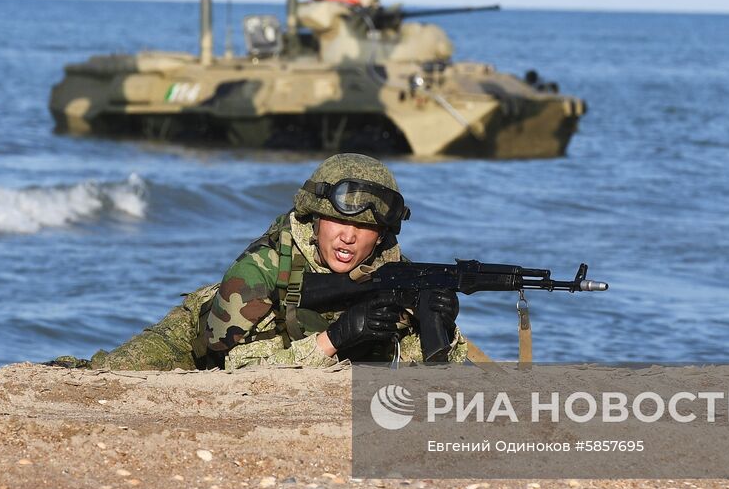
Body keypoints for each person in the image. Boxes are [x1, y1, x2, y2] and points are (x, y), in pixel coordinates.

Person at [62, 153, 468, 371]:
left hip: (284, 352)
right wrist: (336, 339)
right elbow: (235, 365)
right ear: (314, 217)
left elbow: (431, 375)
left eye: (364, 228)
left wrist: (441, 331)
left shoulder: (395, 273)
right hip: (204, 338)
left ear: (382, 236)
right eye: (338, 222)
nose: (349, 237)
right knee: (103, 375)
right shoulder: (263, 268)